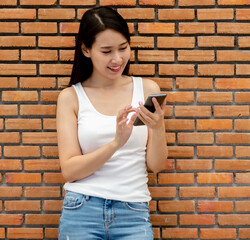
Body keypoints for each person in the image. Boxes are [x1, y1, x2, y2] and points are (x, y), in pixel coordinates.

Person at [56, 6, 168, 240]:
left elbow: (156, 165)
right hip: (81, 211)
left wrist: (157, 128)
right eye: (106, 51)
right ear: (86, 50)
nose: (117, 59)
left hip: (133, 212)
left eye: (123, 48)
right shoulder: (71, 98)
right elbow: (70, 171)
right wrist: (116, 144)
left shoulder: (147, 90)